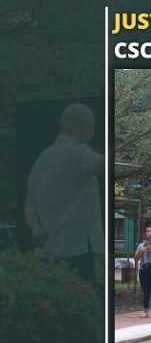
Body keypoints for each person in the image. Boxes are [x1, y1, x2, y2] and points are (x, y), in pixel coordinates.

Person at [24, 103, 104, 284]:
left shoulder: (41, 159)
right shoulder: (78, 153)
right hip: (78, 254)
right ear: (86, 127)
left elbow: (30, 203)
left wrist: (36, 227)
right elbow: (103, 166)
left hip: (45, 254)